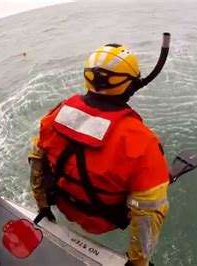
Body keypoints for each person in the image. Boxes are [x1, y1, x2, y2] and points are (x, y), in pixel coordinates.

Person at [29, 44, 170, 266]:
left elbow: (37, 161)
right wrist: (138, 262)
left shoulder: (56, 114)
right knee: (149, 191)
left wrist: (42, 205)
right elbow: (149, 212)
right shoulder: (142, 142)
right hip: (104, 223)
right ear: (130, 85)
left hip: (65, 207)